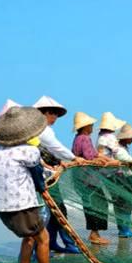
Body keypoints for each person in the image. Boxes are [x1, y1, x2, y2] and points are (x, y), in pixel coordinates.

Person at [0, 106, 66, 263]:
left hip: (3, 206)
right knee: (43, 238)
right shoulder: (29, 151)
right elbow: (38, 177)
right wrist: (43, 186)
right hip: (22, 205)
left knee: (30, 238)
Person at [33, 95, 81, 254]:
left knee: (55, 211)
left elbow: (49, 152)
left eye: (56, 114)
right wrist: (74, 158)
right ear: (42, 113)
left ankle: (53, 243)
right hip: (44, 178)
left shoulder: (36, 130)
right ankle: (38, 251)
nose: (55, 117)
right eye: (52, 113)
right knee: (53, 211)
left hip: (48, 176)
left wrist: (60, 162)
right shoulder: (42, 129)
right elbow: (55, 147)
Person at [71, 112, 111, 245]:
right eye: (91, 125)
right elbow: (90, 158)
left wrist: (103, 158)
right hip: (88, 177)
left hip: (81, 176)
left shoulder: (78, 137)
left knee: (91, 203)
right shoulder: (85, 138)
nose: (93, 127)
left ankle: (95, 233)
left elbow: (92, 154)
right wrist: (104, 161)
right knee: (98, 203)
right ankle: (94, 234)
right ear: (86, 126)